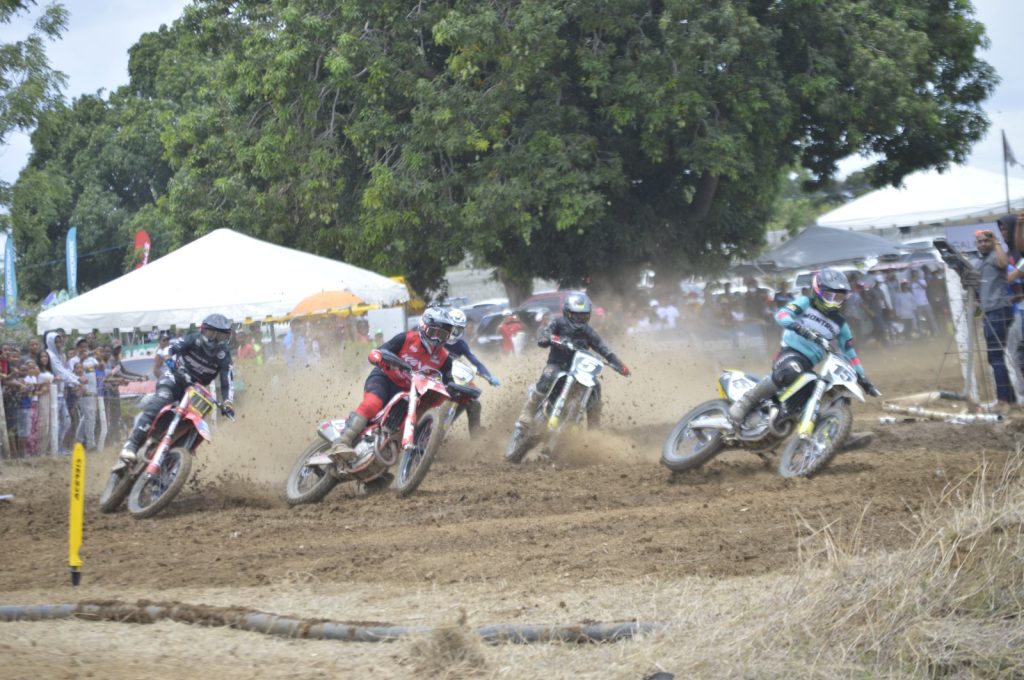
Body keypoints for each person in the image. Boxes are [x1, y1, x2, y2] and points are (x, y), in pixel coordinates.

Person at [728, 268, 879, 426]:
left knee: (830, 392)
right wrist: (798, 327)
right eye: (829, 296)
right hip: (789, 354)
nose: (834, 302)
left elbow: (850, 353)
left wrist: (863, 378)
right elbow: (781, 315)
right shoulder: (805, 303)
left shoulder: (840, 324)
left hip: (809, 366)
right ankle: (746, 401)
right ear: (817, 290)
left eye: (839, 297)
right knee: (792, 370)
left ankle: (834, 431)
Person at [328, 306, 456, 462]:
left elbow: (449, 383)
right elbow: (380, 351)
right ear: (424, 327)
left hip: (410, 394)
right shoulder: (406, 339)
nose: (437, 339)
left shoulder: (444, 359)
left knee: (407, 424)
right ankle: (342, 442)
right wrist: (377, 356)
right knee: (372, 404)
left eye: (442, 335)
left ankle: (382, 465)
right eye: (433, 333)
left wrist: (457, 391)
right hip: (385, 379)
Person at [119, 314, 236, 463]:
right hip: (175, 378)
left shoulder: (224, 355)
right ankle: (132, 444)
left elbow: (227, 380)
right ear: (203, 331)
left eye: (220, 336)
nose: (214, 339)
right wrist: (168, 359)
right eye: (211, 334)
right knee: (161, 401)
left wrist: (227, 403)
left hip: (195, 390)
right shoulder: (193, 339)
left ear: (227, 337)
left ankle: (177, 456)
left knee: (195, 421)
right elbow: (168, 349)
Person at [513, 292, 630, 435]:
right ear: (566, 313)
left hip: (579, 371)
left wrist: (620, 365)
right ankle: (528, 412)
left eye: (583, 316)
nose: (579, 319)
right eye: (575, 315)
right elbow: (545, 333)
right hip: (557, 365)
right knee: (547, 377)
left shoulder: (588, 331)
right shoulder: (557, 322)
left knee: (595, 387)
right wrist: (546, 338)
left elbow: (604, 349)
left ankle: (594, 428)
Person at [972, 228, 1016, 409]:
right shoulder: (977, 262)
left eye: (986, 241)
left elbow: (1003, 263)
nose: (983, 244)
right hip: (989, 312)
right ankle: (1011, 399)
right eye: (980, 241)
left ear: (992, 242)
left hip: (999, 310)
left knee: (996, 356)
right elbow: (974, 287)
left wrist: (996, 242)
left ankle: (1003, 399)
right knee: (995, 356)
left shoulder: (995, 256)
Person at [444, 308, 499, 438]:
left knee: (474, 403)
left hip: (450, 376)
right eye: (451, 328)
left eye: (457, 330)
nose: (453, 332)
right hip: (431, 373)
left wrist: (489, 376)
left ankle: (476, 436)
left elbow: (475, 362)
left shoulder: (461, 344)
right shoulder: (435, 337)